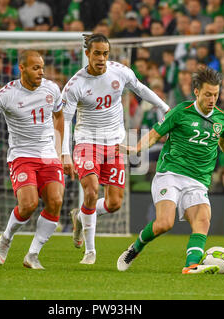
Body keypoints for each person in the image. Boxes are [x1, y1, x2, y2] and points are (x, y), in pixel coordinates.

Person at [116, 67, 224, 274]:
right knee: (164, 223)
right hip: (171, 174)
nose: (212, 99)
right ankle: (136, 247)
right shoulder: (180, 112)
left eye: (215, 94)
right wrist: (136, 148)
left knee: (202, 220)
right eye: (207, 94)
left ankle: (191, 265)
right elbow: (154, 135)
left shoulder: (222, 119)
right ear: (196, 92)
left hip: (198, 179)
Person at [61, 34, 171, 265]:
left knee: (114, 204)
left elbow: (140, 89)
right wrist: (65, 153)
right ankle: (90, 251)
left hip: (115, 143)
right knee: (91, 191)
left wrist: (164, 106)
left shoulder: (119, 72)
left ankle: (80, 216)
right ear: (88, 54)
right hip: (87, 142)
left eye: (105, 53)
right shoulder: (75, 84)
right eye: (97, 53)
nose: (101, 58)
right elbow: (65, 120)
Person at [0, 50, 65, 269]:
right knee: (29, 204)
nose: (41, 72)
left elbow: (59, 117)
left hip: (48, 155)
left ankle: (33, 254)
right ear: (23, 68)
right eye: (35, 68)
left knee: (55, 202)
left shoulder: (52, 89)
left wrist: (59, 149)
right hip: (22, 156)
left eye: (42, 67)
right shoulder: (6, 94)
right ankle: (6, 238)